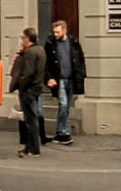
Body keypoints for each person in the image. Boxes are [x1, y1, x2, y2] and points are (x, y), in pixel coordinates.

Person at [43, 19, 84, 145]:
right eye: (54, 32)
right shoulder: (50, 43)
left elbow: (80, 58)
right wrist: (49, 78)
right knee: (63, 104)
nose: (55, 34)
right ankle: (65, 132)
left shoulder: (73, 42)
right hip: (58, 78)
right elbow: (46, 63)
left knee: (65, 107)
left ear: (65, 31)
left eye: (58, 32)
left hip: (70, 78)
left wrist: (81, 75)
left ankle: (59, 133)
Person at [11, 27, 46, 158]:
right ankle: (29, 147)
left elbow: (28, 73)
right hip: (36, 88)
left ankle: (33, 148)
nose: (22, 40)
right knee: (32, 118)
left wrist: (21, 84)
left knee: (30, 120)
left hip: (29, 89)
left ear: (27, 39)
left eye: (23, 38)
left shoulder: (30, 53)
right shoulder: (41, 50)